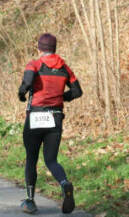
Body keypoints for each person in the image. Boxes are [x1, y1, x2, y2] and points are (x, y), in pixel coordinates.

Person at [18, 33, 83, 214]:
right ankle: (64, 183)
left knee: (31, 159)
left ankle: (30, 201)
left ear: (39, 48)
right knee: (51, 160)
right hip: (55, 117)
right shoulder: (64, 67)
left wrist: (21, 93)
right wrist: (62, 97)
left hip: (36, 117)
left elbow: (28, 81)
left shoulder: (35, 64)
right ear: (54, 48)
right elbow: (77, 91)